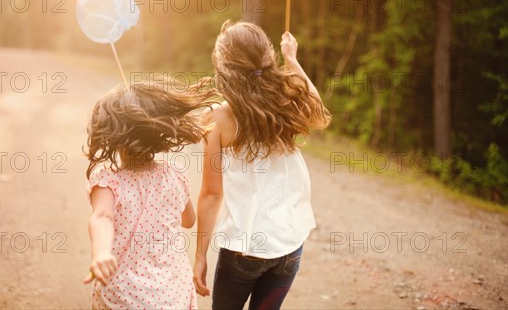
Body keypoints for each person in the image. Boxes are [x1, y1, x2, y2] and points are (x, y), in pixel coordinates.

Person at [193, 21, 331, 309]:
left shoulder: (217, 119)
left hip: (244, 247)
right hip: (289, 243)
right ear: (268, 56)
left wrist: (199, 256)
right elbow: (319, 111)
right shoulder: (287, 98)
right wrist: (292, 60)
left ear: (224, 65)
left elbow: (211, 195)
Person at [83, 80, 215, 310]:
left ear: (111, 137)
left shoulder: (108, 181)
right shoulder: (175, 174)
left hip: (126, 296)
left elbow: (102, 216)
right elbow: (188, 220)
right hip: (172, 292)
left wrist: (101, 253)